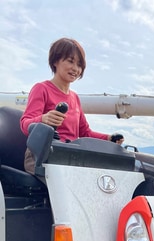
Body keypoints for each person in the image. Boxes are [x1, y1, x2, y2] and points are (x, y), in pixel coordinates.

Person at [20, 37, 121, 174]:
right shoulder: (41, 89)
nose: (76, 69)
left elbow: (85, 133)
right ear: (55, 61)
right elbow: (25, 124)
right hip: (42, 157)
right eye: (70, 61)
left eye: (79, 65)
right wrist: (43, 119)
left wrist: (108, 139)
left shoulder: (75, 98)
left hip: (70, 157)